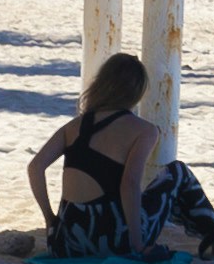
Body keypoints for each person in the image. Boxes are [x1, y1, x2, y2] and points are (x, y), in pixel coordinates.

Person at [29, 52, 150, 244]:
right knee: (178, 175)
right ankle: (212, 238)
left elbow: (35, 167)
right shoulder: (144, 130)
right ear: (137, 91)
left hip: (66, 240)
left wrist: (50, 219)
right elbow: (130, 184)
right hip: (111, 237)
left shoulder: (74, 126)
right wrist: (137, 244)